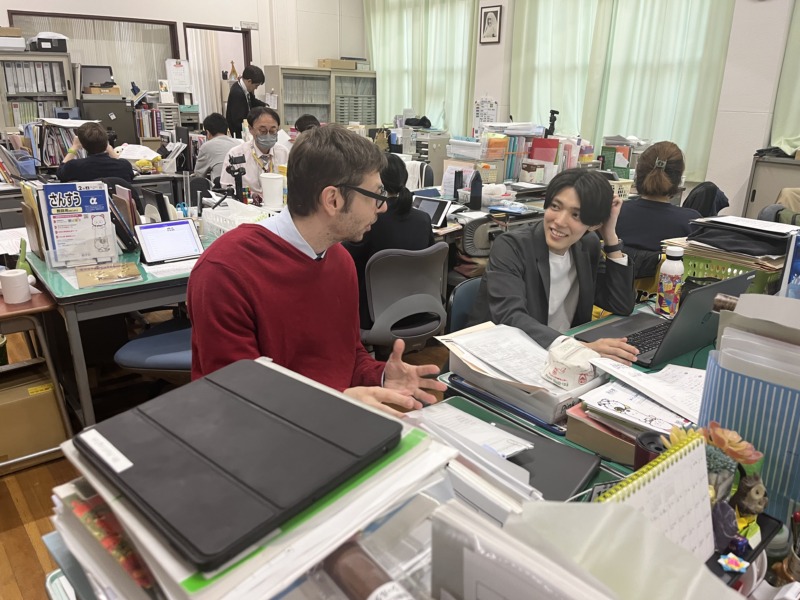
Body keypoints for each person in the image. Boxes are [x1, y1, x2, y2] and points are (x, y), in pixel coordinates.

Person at [188, 125, 446, 417]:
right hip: (269, 441)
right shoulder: (225, 272)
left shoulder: (339, 260)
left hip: (331, 421)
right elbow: (237, 401)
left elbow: (347, 359)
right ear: (333, 200)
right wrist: (338, 401)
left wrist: (381, 376)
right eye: (376, 195)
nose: (382, 208)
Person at [468, 168, 639, 365]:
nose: (559, 222)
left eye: (576, 215)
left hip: (560, 360)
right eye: (555, 207)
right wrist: (574, 348)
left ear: (593, 224)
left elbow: (621, 305)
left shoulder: (587, 245)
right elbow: (510, 316)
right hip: (500, 357)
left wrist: (610, 236)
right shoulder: (512, 246)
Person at [345, 153, 435, 329]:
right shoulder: (423, 219)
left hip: (373, 315)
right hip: (419, 310)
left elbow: (348, 262)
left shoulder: (369, 221)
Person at [616, 141, 702, 276]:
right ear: (678, 179)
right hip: (669, 295)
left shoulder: (615, 214)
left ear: (638, 174)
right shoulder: (692, 223)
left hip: (615, 292)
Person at [219, 107, 289, 199]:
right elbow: (227, 186)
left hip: (278, 203)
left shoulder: (283, 153)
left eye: (272, 131)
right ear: (251, 129)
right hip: (247, 207)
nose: (268, 135)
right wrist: (250, 195)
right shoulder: (236, 154)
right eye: (263, 131)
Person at [56, 122, 134, 183]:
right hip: (118, 203)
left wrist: (74, 147)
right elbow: (120, 163)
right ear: (106, 141)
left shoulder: (75, 166)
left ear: (82, 145)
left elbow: (60, 173)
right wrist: (109, 149)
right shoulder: (124, 165)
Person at [193, 112, 240, 182]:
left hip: (221, 189)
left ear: (208, 133)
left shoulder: (206, 146)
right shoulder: (239, 143)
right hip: (242, 187)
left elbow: (198, 175)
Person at [226, 65, 267, 139]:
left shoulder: (245, 88)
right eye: (256, 85)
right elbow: (238, 121)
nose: (256, 88)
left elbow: (253, 101)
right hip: (239, 134)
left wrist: (265, 106)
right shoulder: (237, 93)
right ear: (249, 81)